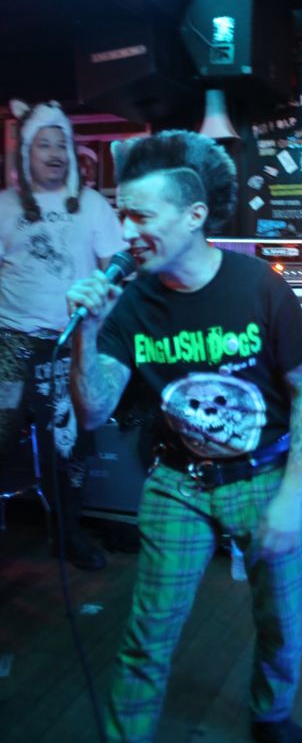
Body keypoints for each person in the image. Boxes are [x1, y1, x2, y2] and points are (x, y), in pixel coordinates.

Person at [66, 130, 302, 743]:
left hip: (263, 476)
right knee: (148, 633)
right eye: (122, 215)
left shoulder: (259, 285)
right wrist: (86, 333)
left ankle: (271, 718)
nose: (125, 232)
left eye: (140, 216)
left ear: (194, 215)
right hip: (177, 484)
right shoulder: (128, 306)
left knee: (282, 619)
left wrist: (293, 496)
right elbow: (94, 412)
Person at [0, 99, 124, 569]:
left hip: (70, 341)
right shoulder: (3, 206)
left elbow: (114, 269)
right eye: (43, 144)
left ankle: (67, 533)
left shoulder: (92, 205)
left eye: (61, 144)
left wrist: (102, 324)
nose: (54, 153)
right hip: (11, 342)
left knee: (69, 447)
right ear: (25, 153)